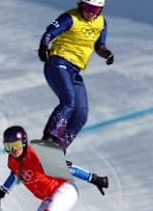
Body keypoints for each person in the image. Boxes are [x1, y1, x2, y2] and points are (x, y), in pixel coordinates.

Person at [38, 0, 114, 149]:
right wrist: (43, 47)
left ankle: (58, 149)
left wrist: (106, 53)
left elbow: (99, 45)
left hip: (74, 70)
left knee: (81, 114)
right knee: (68, 101)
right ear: (80, 5)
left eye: (96, 10)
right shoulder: (70, 18)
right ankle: (49, 139)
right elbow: (49, 34)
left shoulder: (101, 23)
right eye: (88, 8)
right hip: (58, 63)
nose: (91, 13)